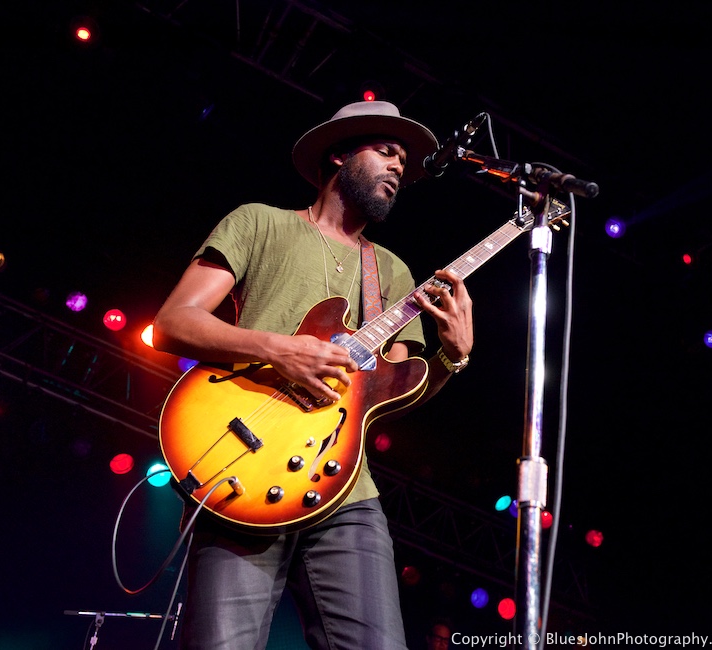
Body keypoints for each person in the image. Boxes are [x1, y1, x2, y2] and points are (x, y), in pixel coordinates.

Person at [152, 100, 474, 650]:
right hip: (243, 468)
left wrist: (452, 358)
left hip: (347, 492)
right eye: (386, 151)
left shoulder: (392, 271)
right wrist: (281, 350)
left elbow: (393, 389)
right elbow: (172, 323)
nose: (399, 167)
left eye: (404, 161)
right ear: (340, 153)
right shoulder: (259, 222)